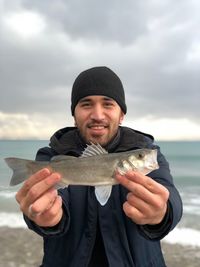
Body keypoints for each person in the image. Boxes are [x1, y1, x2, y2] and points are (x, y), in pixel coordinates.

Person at [16, 66, 182, 267]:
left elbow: (170, 195)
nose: (97, 114)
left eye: (108, 104)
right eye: (86, 104)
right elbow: (44, 204)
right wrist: (42, 217)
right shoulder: (51, 155)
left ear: (121, 114)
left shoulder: (148, 151)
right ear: (74, 114)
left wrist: (163, 213)